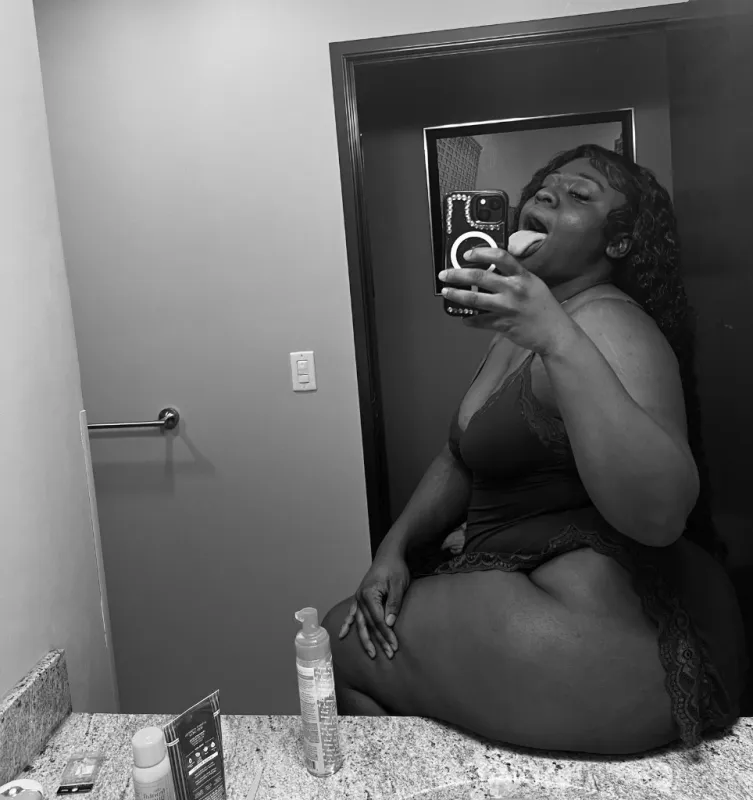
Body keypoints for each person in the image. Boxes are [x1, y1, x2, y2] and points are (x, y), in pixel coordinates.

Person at [321, 143, 749, 756]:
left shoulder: (612, 326)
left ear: (617, 243)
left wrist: (557, 337)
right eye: (546, 185)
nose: (548, 192)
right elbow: (461, 454)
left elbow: (660, 515)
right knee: (348, 636)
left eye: (579, 195)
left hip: (602, 637)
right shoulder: (521, 328)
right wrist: (393, 548)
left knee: (336, 651)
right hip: (533, 598)